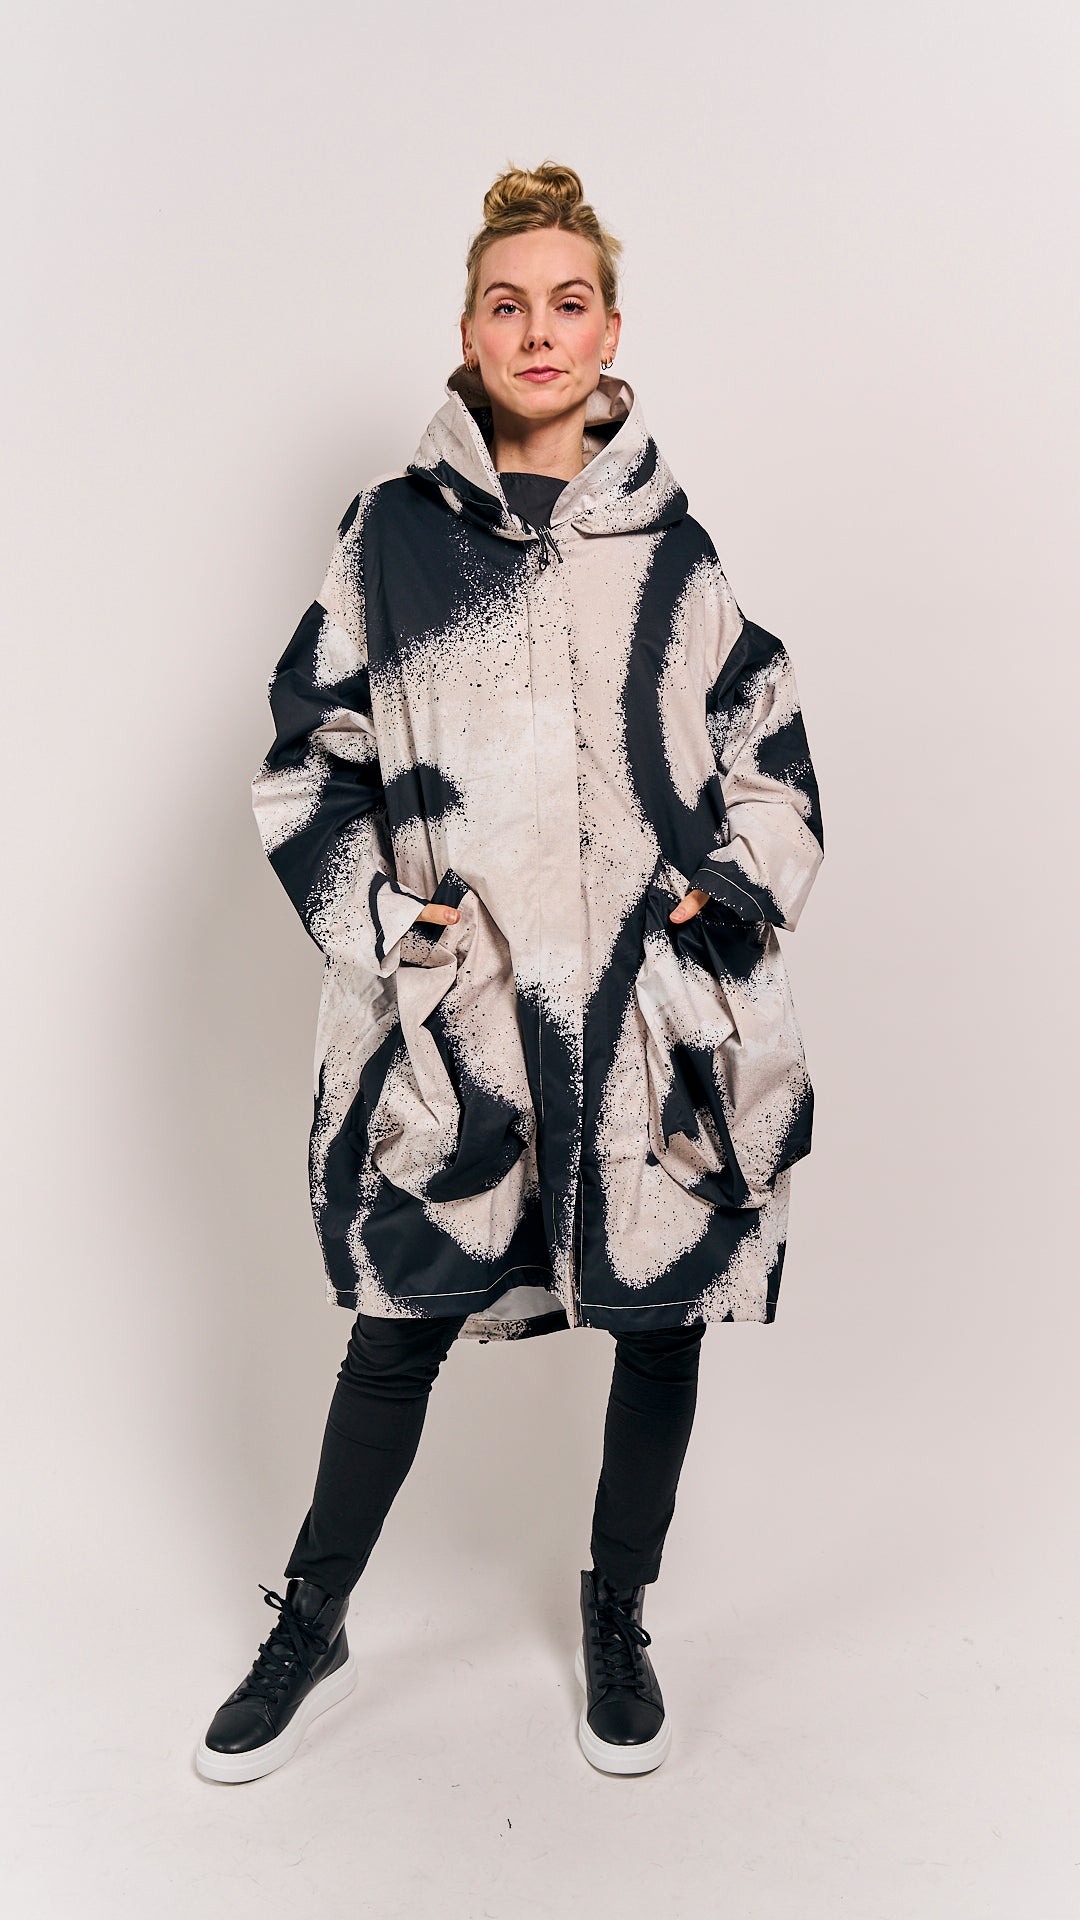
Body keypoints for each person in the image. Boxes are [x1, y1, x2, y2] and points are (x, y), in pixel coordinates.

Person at [195, 161, 824, 1786]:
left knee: (661, 1315)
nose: (538, 330)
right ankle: (313, 1618)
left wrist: (724, 901)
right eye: (506, 302)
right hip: (462, 1020)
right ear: (469, 333)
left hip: (641, 1021)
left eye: (568, 302)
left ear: (611, 331)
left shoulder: (674, 552)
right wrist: (394, 928)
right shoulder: (390, 538)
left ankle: (620, 1609)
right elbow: (308, 759)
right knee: (397, 1317)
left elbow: (766, 746)